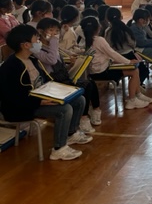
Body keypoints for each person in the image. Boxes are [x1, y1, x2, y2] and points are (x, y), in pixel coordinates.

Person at [0, 24, 91, 161]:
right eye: (36, 40)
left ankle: (71, 134)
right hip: (21, 107)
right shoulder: (11, 67)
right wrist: (39, 102)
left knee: (79, 100)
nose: (39, 43)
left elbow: (45, 80)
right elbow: (13, 97)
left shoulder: (32, 59)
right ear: (25, 45)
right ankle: (59, 149)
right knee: (64, 110)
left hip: (38, 98)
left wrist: (61, 90)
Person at [80, 16, 152, 110]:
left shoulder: (86, 40)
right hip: (102, 72)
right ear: (97, 27)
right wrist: (128, 61)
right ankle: (132, 99)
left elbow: (106, 56)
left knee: (134, 69)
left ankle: (138, 95)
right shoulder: (99, 40)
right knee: (134, 71)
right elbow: (112, 53)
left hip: (95, 72)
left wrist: (120, 62)